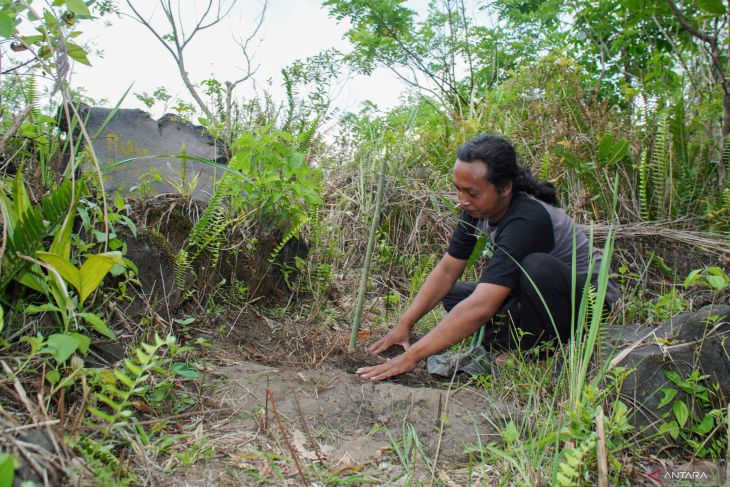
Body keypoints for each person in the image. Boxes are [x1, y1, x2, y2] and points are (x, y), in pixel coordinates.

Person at [356, 134, 620, 381]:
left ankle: (537, 353)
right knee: (454, 293)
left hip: (588, 302)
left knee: (536, 268)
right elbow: (448, 270)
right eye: (458, 190)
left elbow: (482, 306)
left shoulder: (527, 219)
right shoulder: (477, 208)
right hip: (529, 296)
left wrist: (410, 358)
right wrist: (405, 324)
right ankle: (510, 341)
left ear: (505, 188)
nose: (462, 201)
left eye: (471, 193)